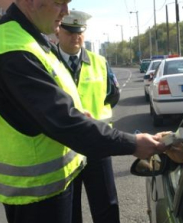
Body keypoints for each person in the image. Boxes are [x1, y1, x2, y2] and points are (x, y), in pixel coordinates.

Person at [0, 1, 167, 223]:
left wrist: (78, 115)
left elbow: (56, 108)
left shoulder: (28, 42)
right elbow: (63, 121)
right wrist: (133, 144)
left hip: (50, 183)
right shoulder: (13, 50)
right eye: (59, 3)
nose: (65, 12)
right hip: (35, 193)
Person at [55, 10, 120, 223]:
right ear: (58, 31)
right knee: (69, 212)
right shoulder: (46, 62)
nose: (76, 37)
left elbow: (113, 95)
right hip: (63, 149)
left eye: (79, 32)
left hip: (97, 144)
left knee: (107, 207)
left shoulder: (99, 62)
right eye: (70, 32)